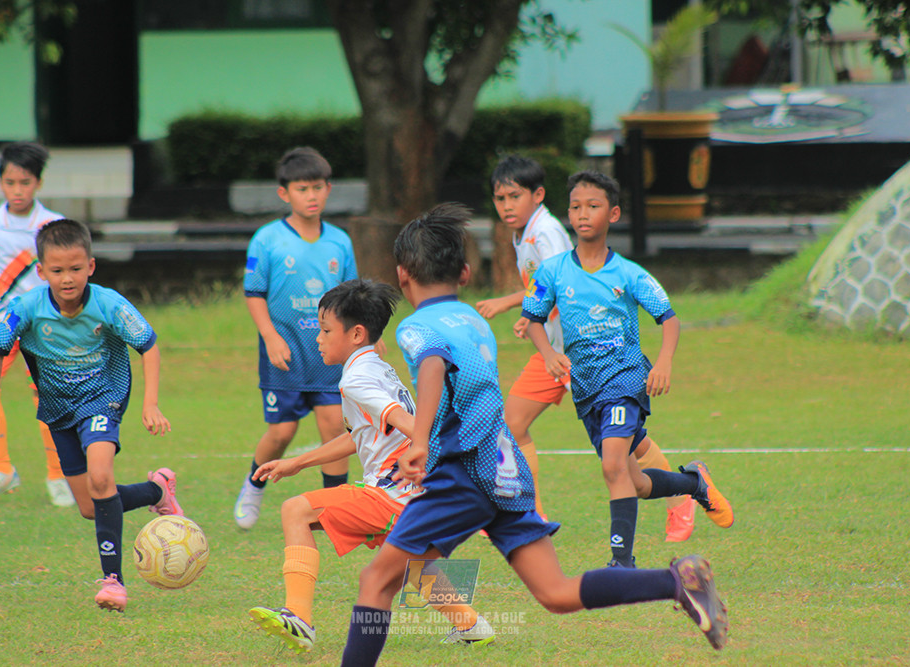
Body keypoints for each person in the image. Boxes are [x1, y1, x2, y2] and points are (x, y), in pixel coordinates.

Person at [338, 203, 729, 666]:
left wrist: (419, 440)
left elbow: (432, 365)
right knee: (555, 593)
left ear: (402, 275)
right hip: (506, 469)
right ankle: (676, 581)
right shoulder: (474, 320)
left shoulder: (416, 327)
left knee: (375, 581)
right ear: (465, 273)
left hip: (462, 472)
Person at [247, 279, 494, 653]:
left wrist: (432, 447)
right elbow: (362, 435)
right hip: (414, 495)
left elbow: (409, 425)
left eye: (326, 330)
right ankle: (473, 626)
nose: (319, 339)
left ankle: (298, 617)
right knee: (414, 564)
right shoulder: (379, 368)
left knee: (295, 510)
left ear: (357, 334)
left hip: (390, 493)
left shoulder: (357, 379)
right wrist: (298, 462)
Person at [476, 155, 696, 541]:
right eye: (500, 198)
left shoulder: (547, 235)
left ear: (538, 195)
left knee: (524, 427)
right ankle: (532, 513)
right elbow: (544, 290)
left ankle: (679, 498)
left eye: (514, 196)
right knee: (620, 442)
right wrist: (532, 320)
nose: (506, 205)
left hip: (590, 359)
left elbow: (565, 281)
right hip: (560, 356)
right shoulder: (525, 233)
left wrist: (511, 306)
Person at [522, 171, 734, 569]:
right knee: (634, 482)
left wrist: (664, 362)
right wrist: (548, 351)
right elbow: (533, 318)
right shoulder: (551, 272)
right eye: (575, 207)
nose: (583, 214)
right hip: (585, 388)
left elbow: (668, 317)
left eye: (593, 206)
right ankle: (694, 483)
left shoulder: (629, 273)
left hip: (624, 379)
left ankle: (622, 563)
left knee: (612, 465)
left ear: (614, 214)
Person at [0, 218, 182, 613]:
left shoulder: (110, 304)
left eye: (75, 268)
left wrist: (150, 403)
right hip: (57, 410)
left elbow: (148, 345)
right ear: (41, 272)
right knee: (90, 506)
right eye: (57, 270)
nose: (67, 278)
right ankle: (157, 490)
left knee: (102, 478)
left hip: (104, 398)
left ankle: (113, 582)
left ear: (91, 266)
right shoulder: (27, 308)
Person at [234, 146, 359, 531]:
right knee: (282, 432)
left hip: (328, 354)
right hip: (284, 352)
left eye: (318, 187)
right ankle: (253, 487)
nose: (312, 195)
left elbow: (351, 292)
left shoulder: (339, 241)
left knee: (334, 425)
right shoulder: (267, 240)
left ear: (329, 188)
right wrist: (270, 336)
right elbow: (254, 292)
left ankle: (333, 508)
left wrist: (367, 334)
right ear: (284, 193)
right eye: (303, 188)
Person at [0, 141, 74, 507]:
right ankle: (2, 469)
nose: (17, 190)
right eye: (10, 182)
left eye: (24, 182)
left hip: (41, 325)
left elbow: (61, 275)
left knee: (49, 398)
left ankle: (59, 476)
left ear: (38, 183)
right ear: (0, 183)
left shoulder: (52, 225)